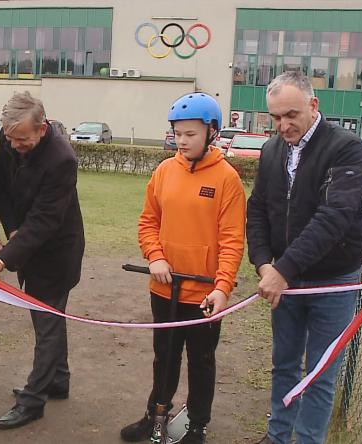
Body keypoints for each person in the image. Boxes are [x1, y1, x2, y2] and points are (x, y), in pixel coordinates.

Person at [246, 71, 362, 444]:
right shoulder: (271, 151)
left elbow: (333, 217)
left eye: (291, 115)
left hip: (333, 280)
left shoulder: (346, 149)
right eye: (276, 118)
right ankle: (277, 435)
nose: (283, 125)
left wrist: (282, 269)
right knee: (283, 364)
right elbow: (258, 210)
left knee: (319, 372)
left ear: (313, 106)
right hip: (286, 280)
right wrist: (264, 262)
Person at [120, 93, 246, 444]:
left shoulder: (227, 179)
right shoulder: (164, 172)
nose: (182, 140)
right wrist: (155, 256)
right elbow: (148, 222)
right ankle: (155, 414)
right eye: (178, 133)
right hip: (165, 288)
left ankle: (197, 424)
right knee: (165, 357)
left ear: (212, 133)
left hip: (205, 292)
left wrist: (222, 288)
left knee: (201, 360)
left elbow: (233, 240)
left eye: (191, 133)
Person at [0, 91, 85, 429]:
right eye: (9, 138)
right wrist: (11, 229)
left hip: (57, 251)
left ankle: (33, 399)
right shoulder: (10, 141)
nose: (14, 145)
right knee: (49, 317)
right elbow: (0, 190)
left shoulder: (62, 159)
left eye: (22, 139)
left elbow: (45, 221)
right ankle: (58, 380)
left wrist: (3, 261)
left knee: (47, 320)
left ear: (42, 128)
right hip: (27, 241)